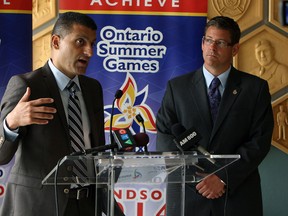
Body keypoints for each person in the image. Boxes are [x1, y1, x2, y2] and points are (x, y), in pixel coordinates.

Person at [0, 12, 124, 216]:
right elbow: (1, 156)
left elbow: (95, 152)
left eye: (92, 44)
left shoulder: (93, 89)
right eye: (80, 42)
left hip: (86, 205)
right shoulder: (27, 85)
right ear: (56, 42)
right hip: (38, 207)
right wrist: (11, 123)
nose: (89, 52)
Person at [156, 16, 274, 216]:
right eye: (208, 40)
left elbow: (259, 141)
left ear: (234, 49)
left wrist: (222, 178)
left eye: (220, 43)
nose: (212, 48)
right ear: (202, 43)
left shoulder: (255, 88)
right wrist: (200, 179)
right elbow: (165, 139)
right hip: (188, 196)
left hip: (237, 196)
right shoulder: (177, 87)